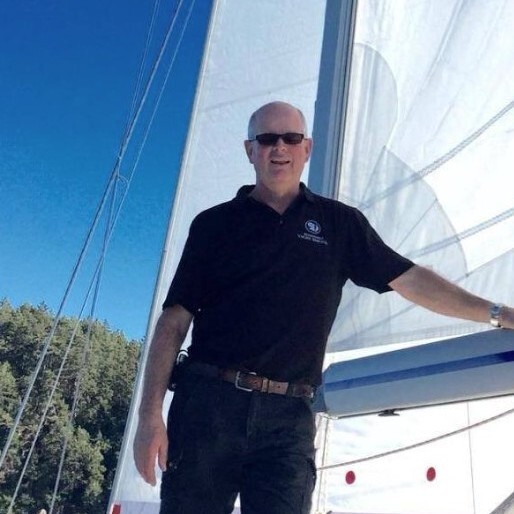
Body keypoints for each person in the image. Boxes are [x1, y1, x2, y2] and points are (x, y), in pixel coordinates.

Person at [133, 101, 513, 514]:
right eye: (267, 139)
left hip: (288, 421)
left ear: (307, 148)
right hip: (208, 409)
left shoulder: (339, 224)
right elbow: (173, 322)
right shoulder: (213, 225)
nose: (280, 147)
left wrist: (497, 313)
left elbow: (410, 280)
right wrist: (149, 417)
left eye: (291, 138)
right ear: (250, 150)